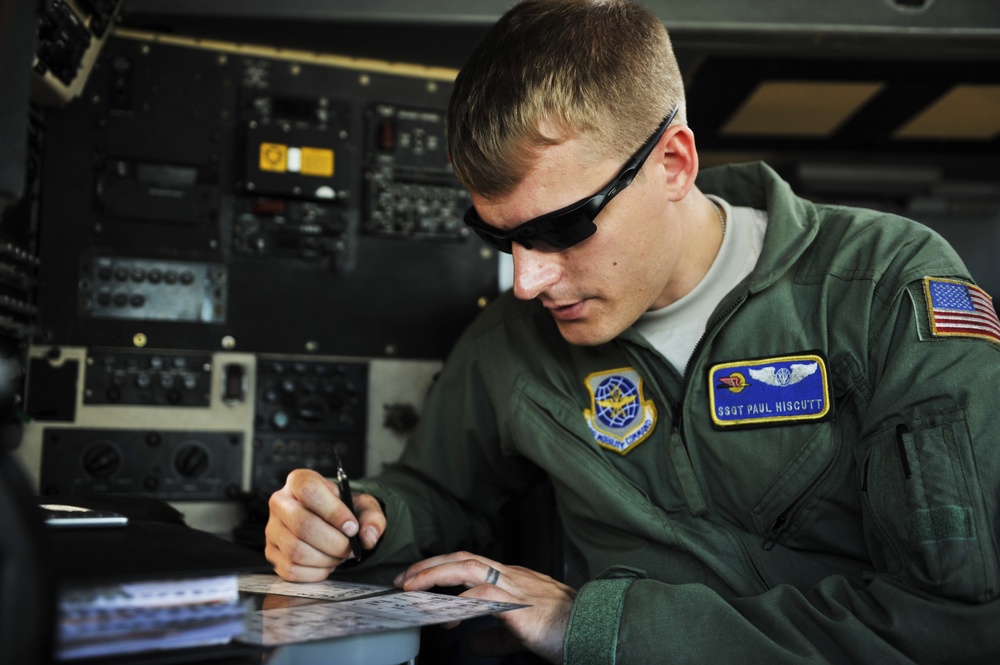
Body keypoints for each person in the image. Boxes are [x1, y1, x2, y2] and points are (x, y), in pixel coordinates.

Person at [265, 1, 1000, 662]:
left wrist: (598, 626)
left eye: (561, 228)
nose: (527, 281)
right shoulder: (510, 344)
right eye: (501, 238)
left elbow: (956, 626)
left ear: (674, 162)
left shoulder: (884, 290)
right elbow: (439, 495)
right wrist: (356, 519)